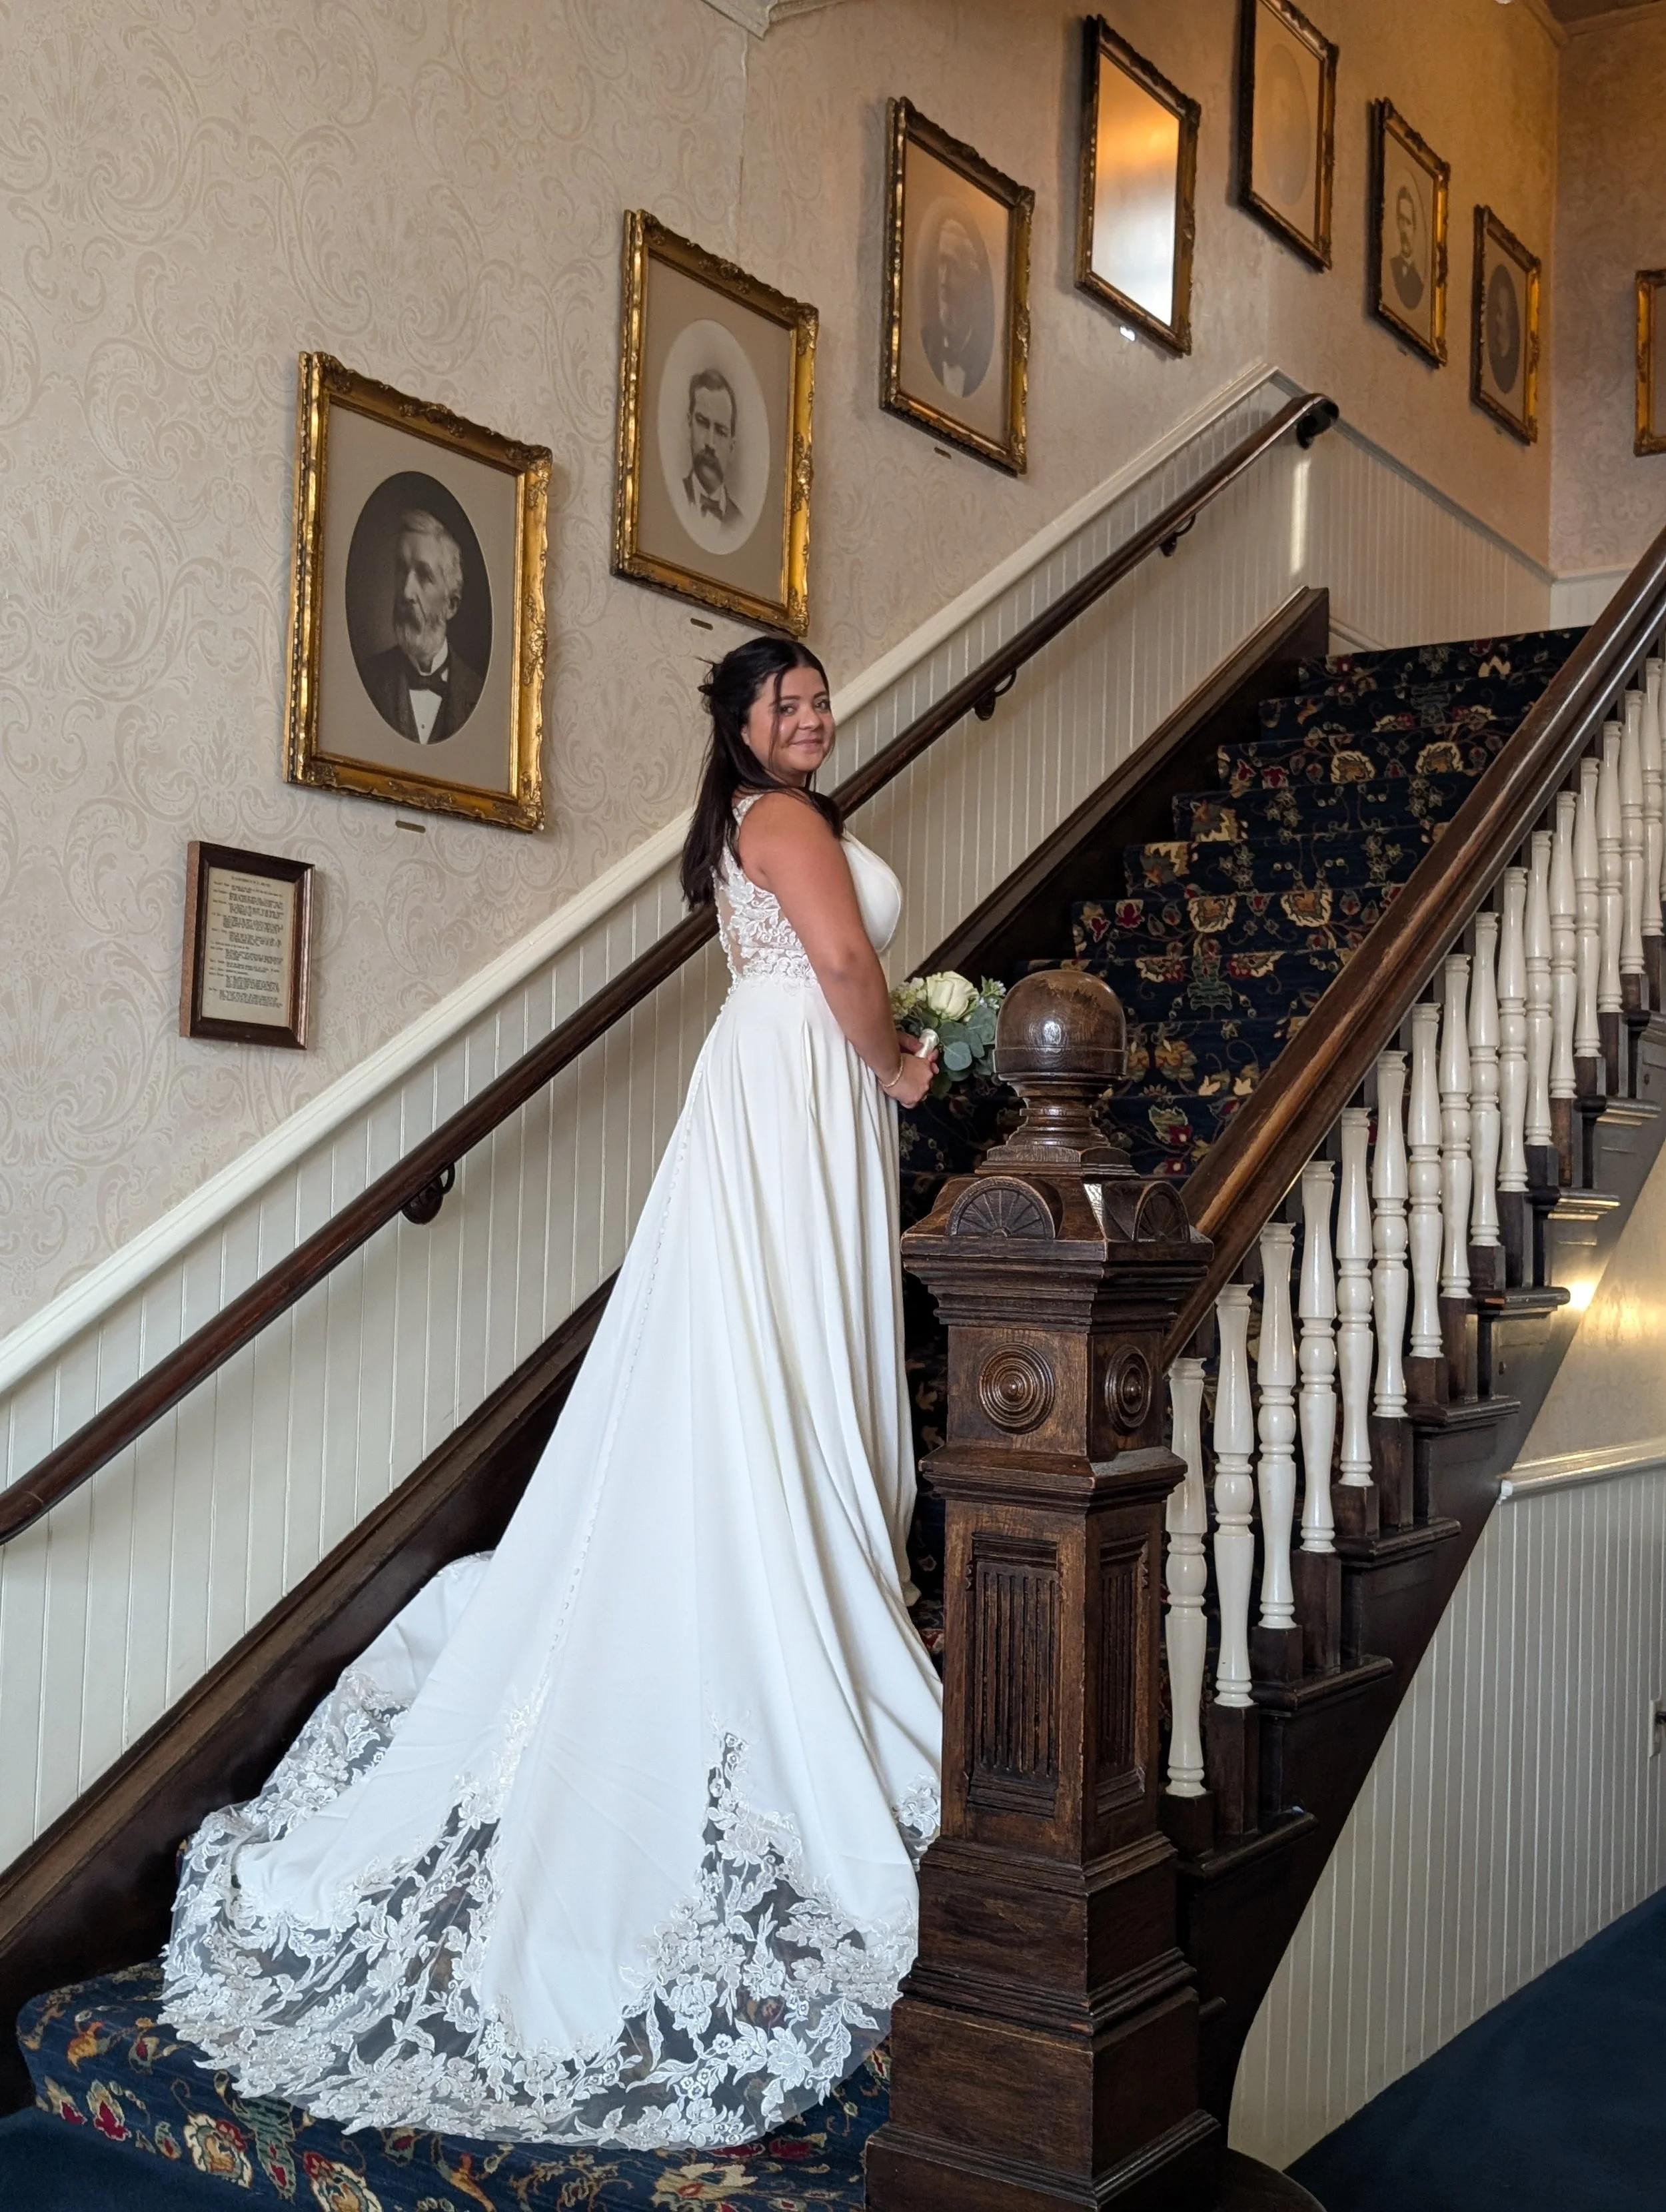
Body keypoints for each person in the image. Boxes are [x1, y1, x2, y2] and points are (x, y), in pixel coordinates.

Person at [161, 636, 945, 2152]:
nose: (811, 715)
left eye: (818, 698)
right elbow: (848, 966)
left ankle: (806, 1587)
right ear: (736, 721)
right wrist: (902, 1065)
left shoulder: (760, 825)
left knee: (777, 1364)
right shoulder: (781, 819)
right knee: (786, 1364)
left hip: (782, 1097)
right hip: (802, 1095)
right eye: (785, 702)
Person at [360, 508, 483, 744]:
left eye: (424, 576)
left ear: (452, 605)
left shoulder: (479, 695)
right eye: (402, 569)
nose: (406, 592)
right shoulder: (368, 679)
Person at [920, 212, 993, 399]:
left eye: (953, 267)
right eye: (941, 264)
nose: (944, 281)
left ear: (972, 279)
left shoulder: (983, 360)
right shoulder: (927, 343)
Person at [680, 368, 744, 538]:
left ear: (732, 447)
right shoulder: (672, 497)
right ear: (689, 425)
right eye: (702, 423)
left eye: (721, 432)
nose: (710, 443)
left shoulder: (740, 524)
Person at [1388, 182, 1423, 312]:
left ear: (1415, 228)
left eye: (1408, 222)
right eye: (1401, 220)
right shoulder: (1391, 266)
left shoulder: (1419, 284)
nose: (1403, 230)